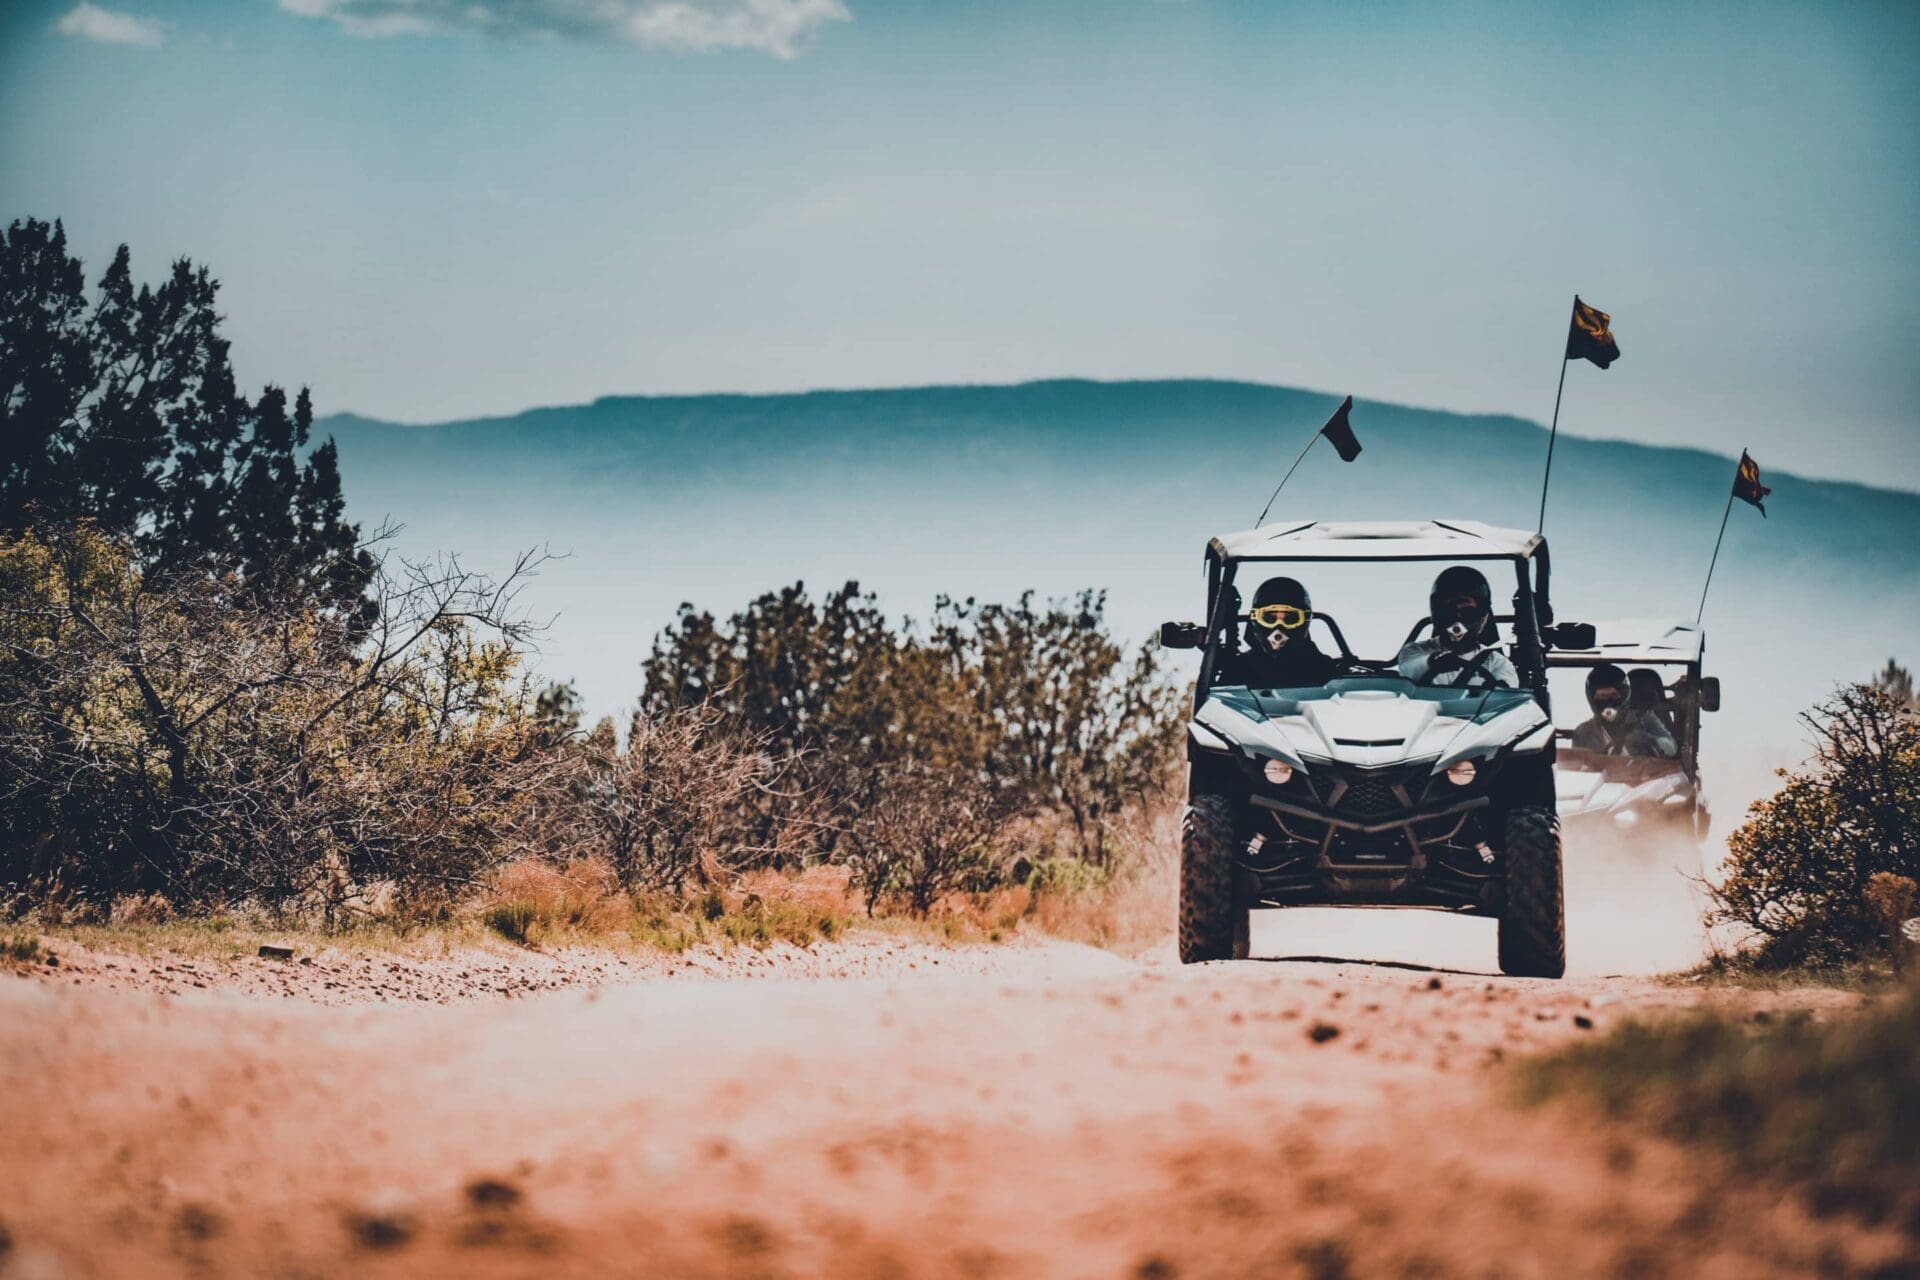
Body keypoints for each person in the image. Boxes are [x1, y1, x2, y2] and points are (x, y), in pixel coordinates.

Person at [1396, 565, 1517, 688]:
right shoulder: (1414, 651)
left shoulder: (1496, 662)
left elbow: (1507, 690)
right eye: (1449, 611)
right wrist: (1433, 661)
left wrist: (1495, 688)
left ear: (1481, 614)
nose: (1457, 618)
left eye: (1466, 612)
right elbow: (1411, 668)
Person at [1223, 575, 1336, 688]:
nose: (1278, 628)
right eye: (1269, 619)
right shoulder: (1238, 668)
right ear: (1255, 619)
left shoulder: (1322, 668)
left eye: (1290, 619)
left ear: (1305, 621)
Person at [1571, 664, 1677, 757]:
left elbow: (1672, 746)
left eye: (1613, 695)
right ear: (1592, 699)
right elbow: (1575, 766)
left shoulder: (1644, 718)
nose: (1608, 701)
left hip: (1644, 777)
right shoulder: (1583, 732)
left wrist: (1651, 740)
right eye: (1602, 696)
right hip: (1600, 779)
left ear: (1624, 696)